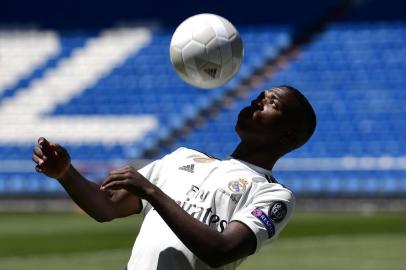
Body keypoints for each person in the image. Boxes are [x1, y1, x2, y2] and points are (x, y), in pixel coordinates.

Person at [32, 85, 316, 270]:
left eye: (271, 103)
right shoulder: (183, 157)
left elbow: (220, 250)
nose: (257, 101)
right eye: (259, 97)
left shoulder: (273, 195)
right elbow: (106, 206)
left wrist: (152, 193)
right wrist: (65, 174)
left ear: (288, 135)